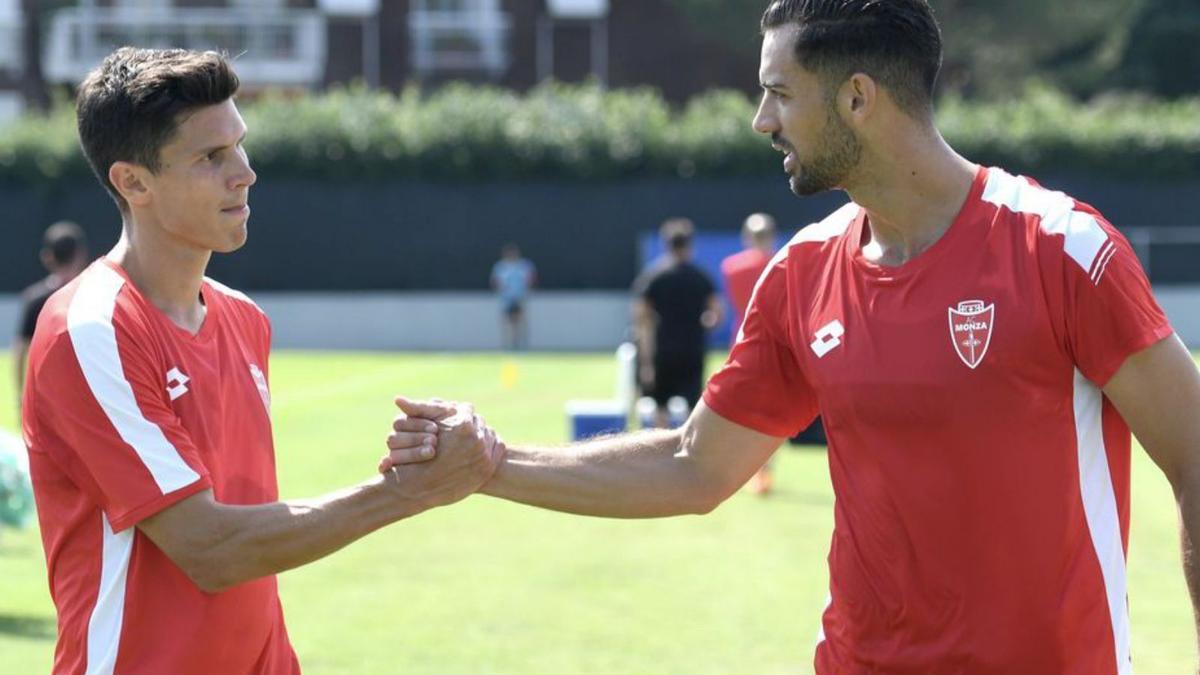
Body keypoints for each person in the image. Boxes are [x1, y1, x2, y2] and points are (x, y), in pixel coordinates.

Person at [387, 1, 1200, 672]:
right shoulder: (802, 272)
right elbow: (694, 464)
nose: (759, 118)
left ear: (856, 98)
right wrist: (491, 464)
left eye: (778, 91)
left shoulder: (1062, 250)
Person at [22, 47, 501, 674]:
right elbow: (211, 550)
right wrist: (406, 492)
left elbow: (248, 542)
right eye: (211, 157)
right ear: (133, 182)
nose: (244, 173)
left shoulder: (244, 319)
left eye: (239, 146)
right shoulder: (91, 329)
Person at [631, 218, 723, 428]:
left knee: (660, 408)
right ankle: (690, 450)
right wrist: (704, 325)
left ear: (666, 244)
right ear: (690, 245)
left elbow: (641, 318)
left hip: (663, 350)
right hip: (692, 349)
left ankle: (661, 453)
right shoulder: (700, 277)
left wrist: (645, 360)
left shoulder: (653, 277)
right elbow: (716, 313)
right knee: (693, 407)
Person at [720, 213, 777, 494]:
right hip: (778, 345)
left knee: (745, 411)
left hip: (742, 342)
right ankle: (765, 471)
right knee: (777, 412)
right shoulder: (783, 262)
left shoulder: (731, 267)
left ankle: (750, 470)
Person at [13, 221, 89, 414]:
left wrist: (21, 395)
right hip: (87, 394)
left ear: (47, 257)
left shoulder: (35, 300)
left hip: (47, 397)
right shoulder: (94, 294)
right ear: (80, 255)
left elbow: (21, 350)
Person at [490, 243, 536, 350]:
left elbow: (530, 279)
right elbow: (496, 281)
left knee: (520, 322)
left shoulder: (524, 265)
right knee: (507, 322)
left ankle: (520, 345)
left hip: (520, 297)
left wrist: (527, 291)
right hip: (506, 298)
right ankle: (507, 345)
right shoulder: (501, 267)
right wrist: (501, 291)